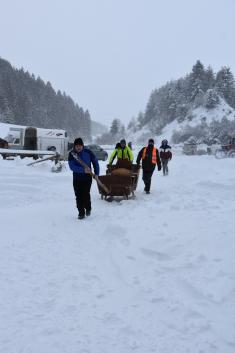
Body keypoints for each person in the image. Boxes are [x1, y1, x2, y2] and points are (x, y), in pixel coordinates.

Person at [68, 138, 100, 219]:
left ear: (82, 146)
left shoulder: (88, 152)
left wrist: (96, 173)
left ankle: (88, 208)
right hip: (77, 179)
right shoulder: (71, 154)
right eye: (77, 146)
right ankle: (81, 213)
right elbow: (72, 167)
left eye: (80, 146)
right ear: (74, 146)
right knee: (78, 196)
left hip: (87, 178)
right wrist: (83, 170)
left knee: (85, 194)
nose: (78, 147)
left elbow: (95, 162)